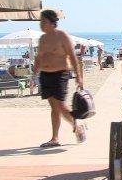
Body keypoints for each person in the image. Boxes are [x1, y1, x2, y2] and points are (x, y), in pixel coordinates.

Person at [33, 9, 84, 148]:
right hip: (45, 74)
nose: (41, 24)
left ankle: (77, 126)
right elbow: (39, 57)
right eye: (40, 21)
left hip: (60, 73)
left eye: (43, 21)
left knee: (60, 105)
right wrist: (34, 74)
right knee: (54, 107)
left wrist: (79, 76)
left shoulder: (62, 36)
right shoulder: (43, 39)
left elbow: (73, 56)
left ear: (52, 23)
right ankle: (55, 138)